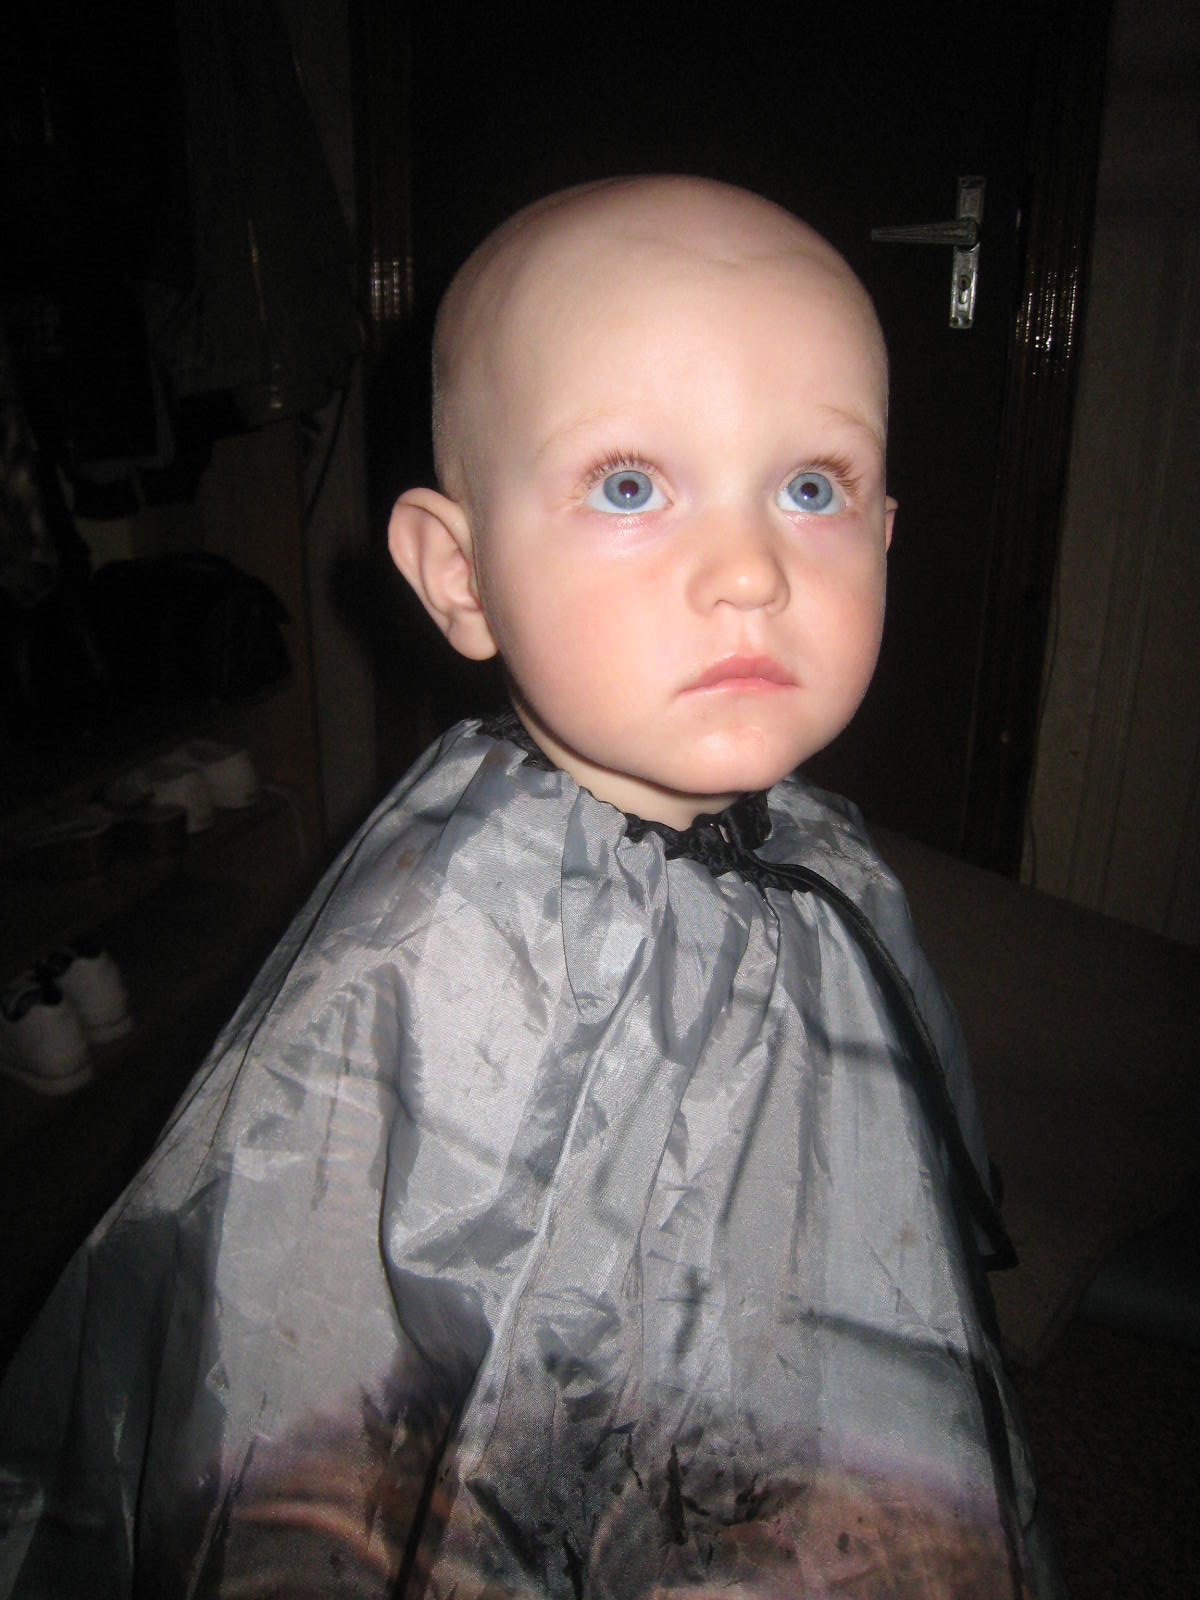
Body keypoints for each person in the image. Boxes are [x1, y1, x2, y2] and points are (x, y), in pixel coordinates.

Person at [0, 176, 1064, 1598]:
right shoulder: (443, 944)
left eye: (812, 487)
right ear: (461, 575)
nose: (750, 571)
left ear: (884, 529)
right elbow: (300, 1367)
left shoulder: (830, 861)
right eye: (630, 486)